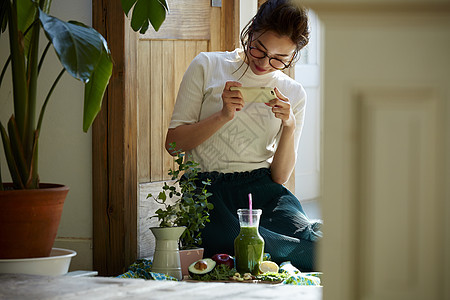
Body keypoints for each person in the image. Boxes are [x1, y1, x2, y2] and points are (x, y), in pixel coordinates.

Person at [165, 0, 322, 271]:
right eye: (259, 49)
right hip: (207, 190)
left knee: (317, 248)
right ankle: (274, 256)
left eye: (279, 59)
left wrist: (289, 126)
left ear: (293, 56)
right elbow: (173, 144)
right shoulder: (208, 66)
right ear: (250, 32)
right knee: (231, 241)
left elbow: (280, 177)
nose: (264, 63)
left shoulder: (293, 93)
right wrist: (222, 115)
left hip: (263, 192)